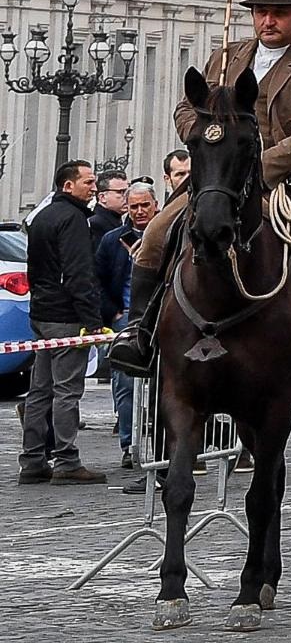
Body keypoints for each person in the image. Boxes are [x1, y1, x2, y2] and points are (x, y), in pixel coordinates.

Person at [112, 0, 291, 383]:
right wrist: (210, 138)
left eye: (279, 13)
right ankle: (138, 331)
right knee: (156, 234)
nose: (269, 21)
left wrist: (261, 167)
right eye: (262, 12)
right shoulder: (225, 58)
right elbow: (186, 108)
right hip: (222, 176)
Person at [19, 161, 106, 483]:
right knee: (66, 391)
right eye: (89, 181)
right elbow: (78, 273)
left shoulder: (41, 216)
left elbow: (36, 270)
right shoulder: (73, 220)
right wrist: (92, 321)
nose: (94, 187)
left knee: (39, 390)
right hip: (66, 318)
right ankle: (67, 460)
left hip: (42, 314)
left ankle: (31, 460)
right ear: (68, 186)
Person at [96, 181, 156, 486]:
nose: (139, 211)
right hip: (126, 319)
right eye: (133, 206)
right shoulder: (112, 240)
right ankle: (129, 444)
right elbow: (100, 278)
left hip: (159, 317)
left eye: (145, 205)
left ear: (155, 205)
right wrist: (114, 312)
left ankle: (164, 446)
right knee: (125, 382)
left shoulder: (165, 233)